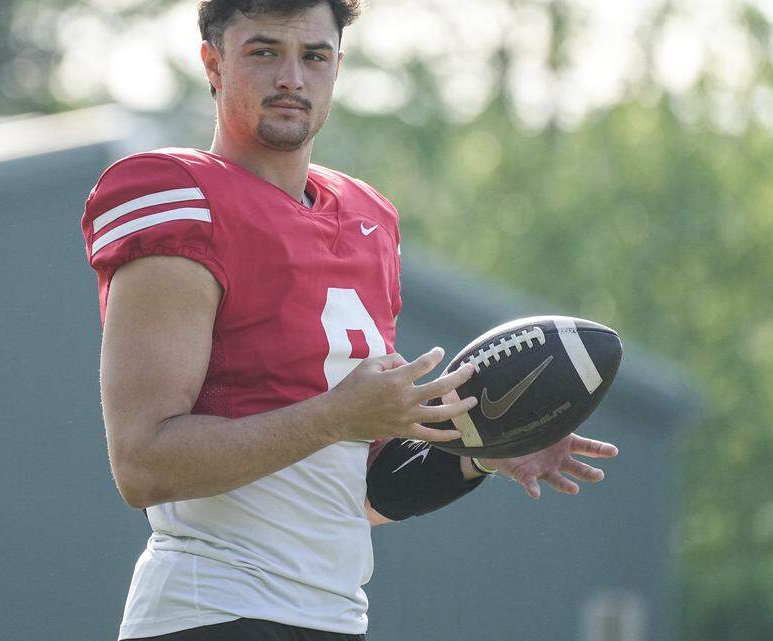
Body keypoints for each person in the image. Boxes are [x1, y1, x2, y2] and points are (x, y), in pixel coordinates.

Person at [80, 1, 619, 639]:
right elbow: (144, 463)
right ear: (213, 64)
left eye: (314, 56)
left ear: (337, 67)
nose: (292, 77)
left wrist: (482, 448)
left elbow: (359, 493)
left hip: (333, 615)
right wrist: (336, 416)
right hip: (212, 608)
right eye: (264, 51)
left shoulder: (369, 219)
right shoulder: (178, 194)